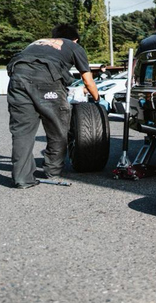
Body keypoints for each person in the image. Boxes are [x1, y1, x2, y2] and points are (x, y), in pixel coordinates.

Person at [6, 24, 100, 189]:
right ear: (75, 39)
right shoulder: (73, 46)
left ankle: (22, 178)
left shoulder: (37, 42)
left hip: (17, 78)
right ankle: (52, 171)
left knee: (22, 132)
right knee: (58, 128)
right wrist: (97, 100)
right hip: (46, 79)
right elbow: (87, 80)